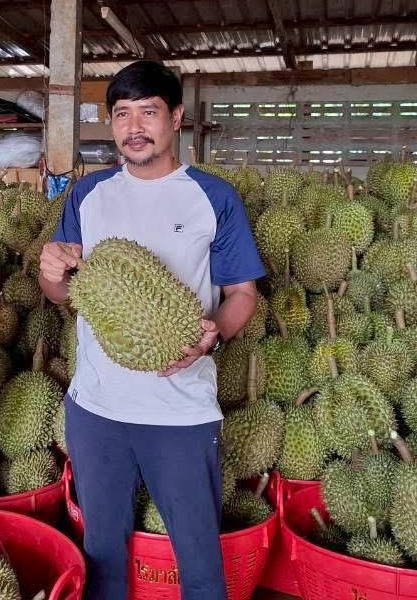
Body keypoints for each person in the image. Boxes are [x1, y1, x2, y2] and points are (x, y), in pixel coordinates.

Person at [38, 60, 264, 600]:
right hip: (96, 408)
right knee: (102, 560)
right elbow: (65, 293)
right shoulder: (89, 194)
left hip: (180, 409)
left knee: (200, 563)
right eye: (122, 114)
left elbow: (242, 294)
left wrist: (212, 335)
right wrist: (51, 272)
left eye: (148, 112)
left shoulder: (213, 197)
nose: (134, 127)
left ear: (176, 118)